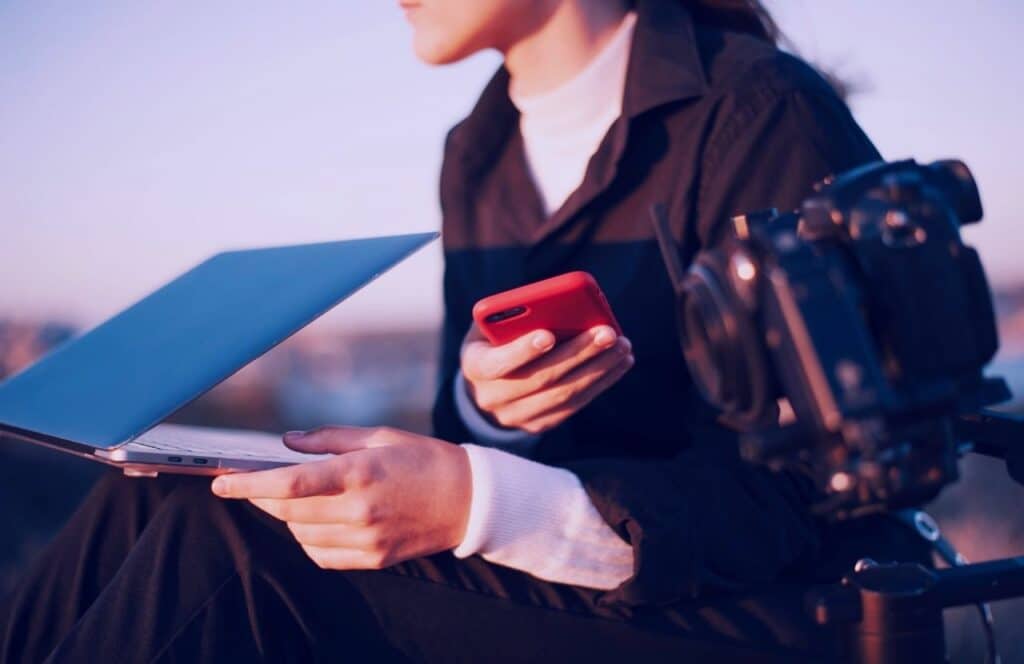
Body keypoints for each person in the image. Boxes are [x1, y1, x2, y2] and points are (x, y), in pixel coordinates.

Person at [0, 1, 929, 662]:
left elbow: (818, 492)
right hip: (579, 588)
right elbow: (469, 439)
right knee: (164, 492)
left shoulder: (759, 110)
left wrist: (477, 501)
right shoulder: (474, 152)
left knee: (241, 547)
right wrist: (487, 412)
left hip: (770, 607)